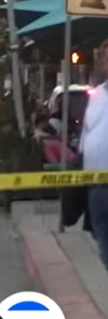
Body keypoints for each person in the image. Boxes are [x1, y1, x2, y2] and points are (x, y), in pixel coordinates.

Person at [82, 38, 108, 269]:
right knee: (101, 238)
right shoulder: (97, 94)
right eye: (104, 58)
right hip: (95, 183)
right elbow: (88, 131)